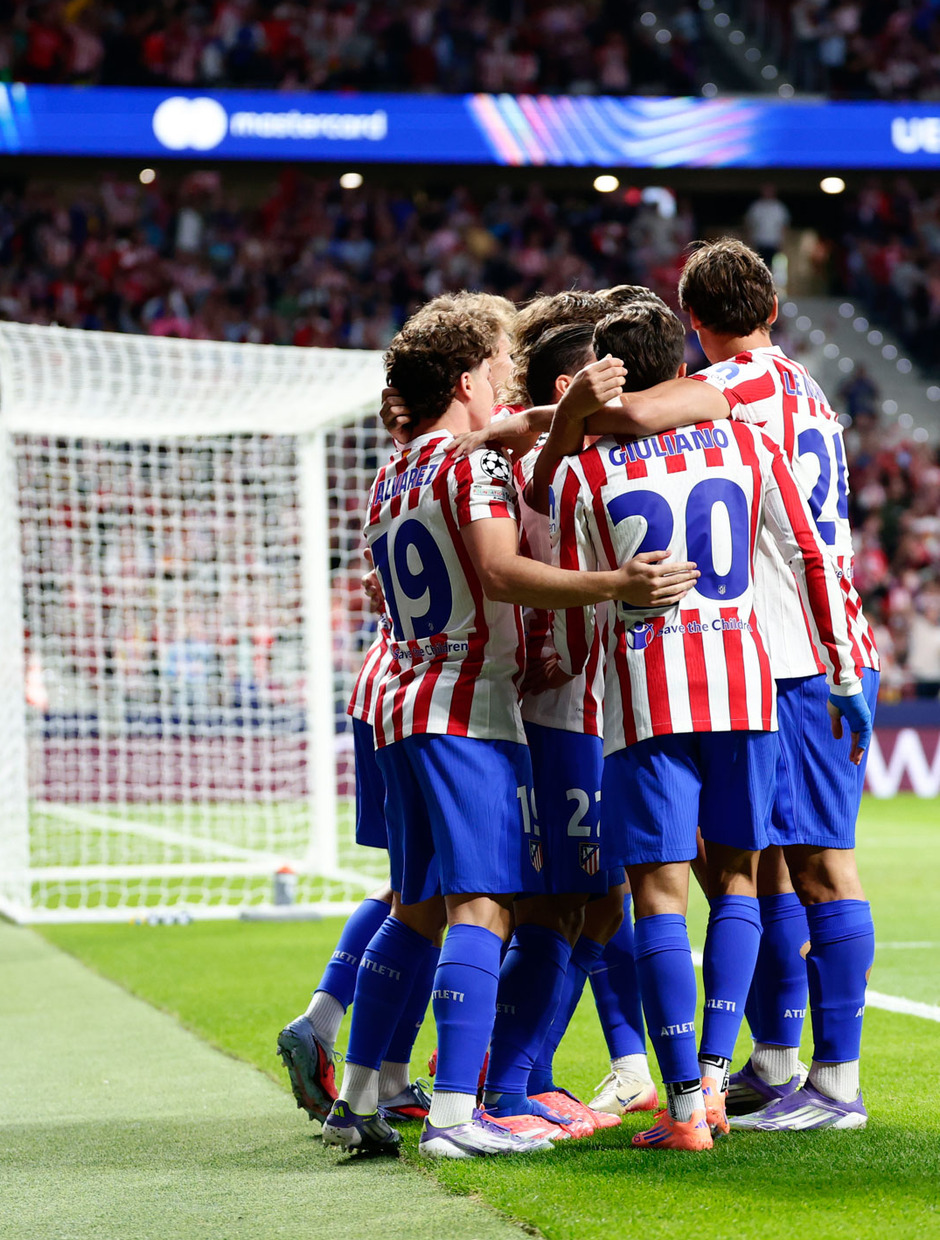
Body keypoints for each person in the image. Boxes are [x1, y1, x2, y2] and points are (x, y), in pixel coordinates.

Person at [320, 306, 698, 1159]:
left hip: (400, 702)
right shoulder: (474, 466)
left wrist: (547, 420)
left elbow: (517, 433)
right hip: (470, 708)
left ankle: (357, 1095)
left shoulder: (393, 473)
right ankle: (461, 1112)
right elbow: (498, 569)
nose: (506, 386)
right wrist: (615, 584)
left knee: (416, 906)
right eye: (496, 371)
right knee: (485, 905)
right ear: (466, 381)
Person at [547, 238, 880, 1132]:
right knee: (764, 864)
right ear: (771, 308)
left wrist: (540, 419)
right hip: (795, 647)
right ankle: (775, 1060)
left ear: (695, 323)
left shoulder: (730, 388)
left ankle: (834, 1083)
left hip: (797, 654)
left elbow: (622, 414)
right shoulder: (805, 386)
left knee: (814, 865)